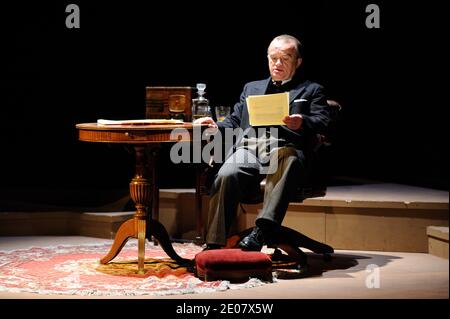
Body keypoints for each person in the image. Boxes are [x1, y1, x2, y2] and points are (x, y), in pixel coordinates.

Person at [194, 34, 330, 251]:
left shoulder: (311, 90)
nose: (277, 64)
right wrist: (215, 126)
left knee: (287, 158)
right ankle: (214, 242)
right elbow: (235, 120)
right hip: (251, 146)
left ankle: (263, 230)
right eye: (273, 58)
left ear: (298, 62)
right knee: (227, 173)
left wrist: (302, 121)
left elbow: (323, 120)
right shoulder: (251, 88)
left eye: (285, 58)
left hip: (286, 146)